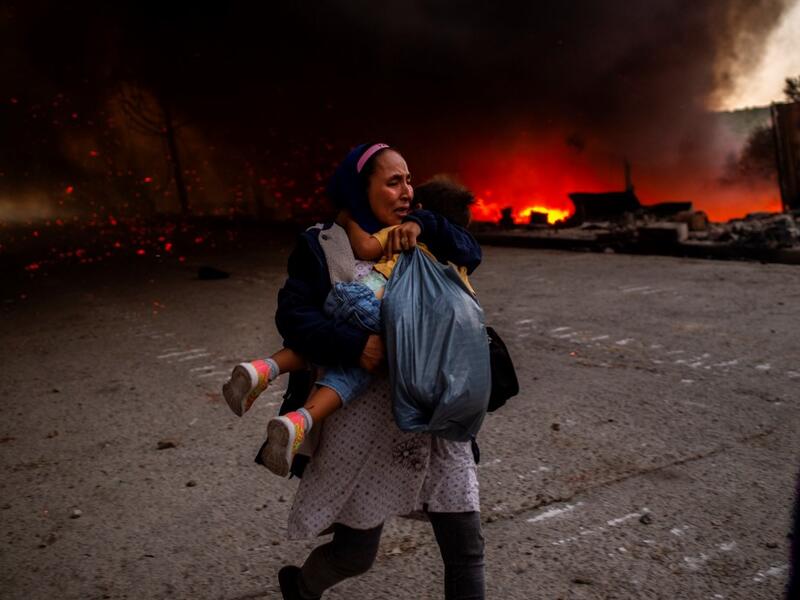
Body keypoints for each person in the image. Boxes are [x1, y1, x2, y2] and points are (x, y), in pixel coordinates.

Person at [270, 143, 486, 599]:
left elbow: (471, 251)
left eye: (409, 180)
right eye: (393, 182)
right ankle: (302, 588)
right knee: (355, 553)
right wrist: (355, 346)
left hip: (436, 418)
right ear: (358, 188)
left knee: (465, 547)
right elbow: (294, 317)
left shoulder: (424, 232)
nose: (407, 190)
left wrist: (423, 222)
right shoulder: (321, 244)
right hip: (363, 428)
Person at [222, 177, 478, 478]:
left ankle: (268, 376)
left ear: (419, 210)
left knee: (337, 353)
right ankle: (300, 417)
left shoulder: (402, 233)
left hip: (359, 296)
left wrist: (348, 218)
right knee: (351, 365)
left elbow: (366, 246)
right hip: (389, 313)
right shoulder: (455, 264)